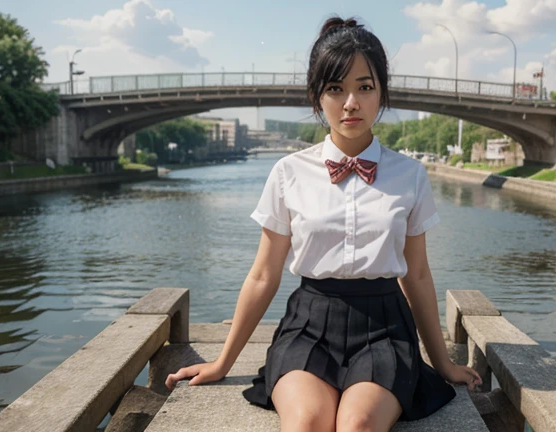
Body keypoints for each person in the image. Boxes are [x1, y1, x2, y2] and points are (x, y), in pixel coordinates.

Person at [165, 16, 482, 431]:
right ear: (317, 97)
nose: (351, 102)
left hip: (385, 327)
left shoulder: (410, 175)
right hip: (308, 324)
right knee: (309, 423)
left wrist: (442, 364)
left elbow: (417, 274)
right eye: (336, 88)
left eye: (364, 87)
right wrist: (223, 362)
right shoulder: (288, 172)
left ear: (381, 93)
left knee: (358, 424)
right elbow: (263, 274)